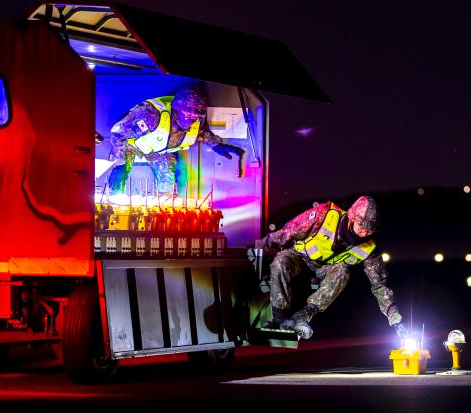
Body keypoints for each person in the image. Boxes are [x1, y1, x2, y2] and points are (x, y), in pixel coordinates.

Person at [255, 196, 411, 341]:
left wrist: (397, 322)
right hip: (300, 258)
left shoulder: (370, 250)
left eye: (370, 230)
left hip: (323, 270)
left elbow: (380, 287)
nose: (365, 233)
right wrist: (261, 245)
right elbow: (289, 231)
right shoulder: (324, 215)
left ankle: (302, 317)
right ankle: (279, 319)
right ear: (351, 218)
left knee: (342, 270)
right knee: (281, 261)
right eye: (362, 226)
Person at [107, 83, 244, 196]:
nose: (192, 121)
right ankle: (112, 202)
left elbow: (202, 133)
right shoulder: (150, 115)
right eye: (189, 116)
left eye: (195, 117)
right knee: (118, 179)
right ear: (177, 110)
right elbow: (118, 133)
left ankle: (159, 215)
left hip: (158, 151)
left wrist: (217, 146)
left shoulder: (194, 123)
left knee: (166, 182)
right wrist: (121, 164)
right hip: (131, 147)